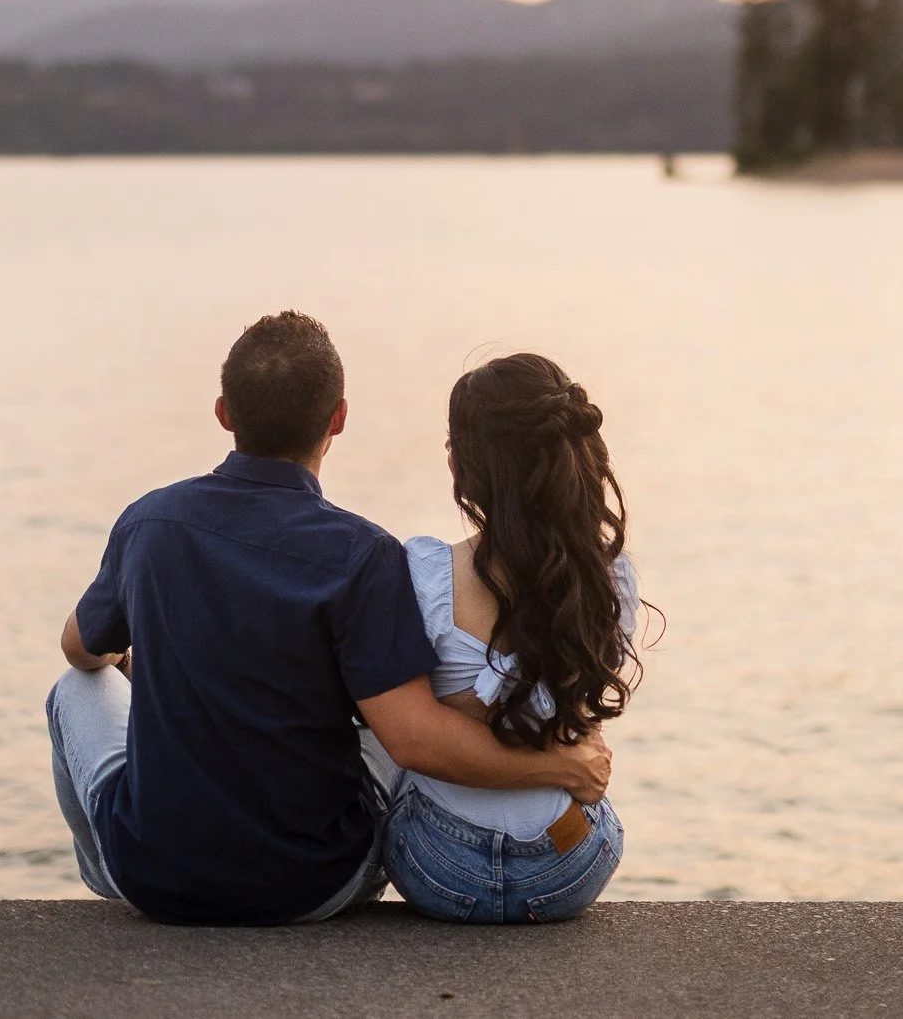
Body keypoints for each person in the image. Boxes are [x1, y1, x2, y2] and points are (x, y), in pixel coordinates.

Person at [46, 312, 612, 926]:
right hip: (314, 885)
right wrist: (559, 764)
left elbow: (77, 647)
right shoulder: (364, 554)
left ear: (223, 413)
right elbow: (414, 739)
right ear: (338, 418)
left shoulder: (150, 524)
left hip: (157, 881)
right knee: (398, 714)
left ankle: (108, 872)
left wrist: (136, 658)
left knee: (74, 688)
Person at [380, 352, 644, 924]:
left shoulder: (422, 574)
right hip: (567, 867)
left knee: (383, 723)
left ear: (466, 468)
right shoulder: (608, 579)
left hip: (437, 869)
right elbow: (583, 721)